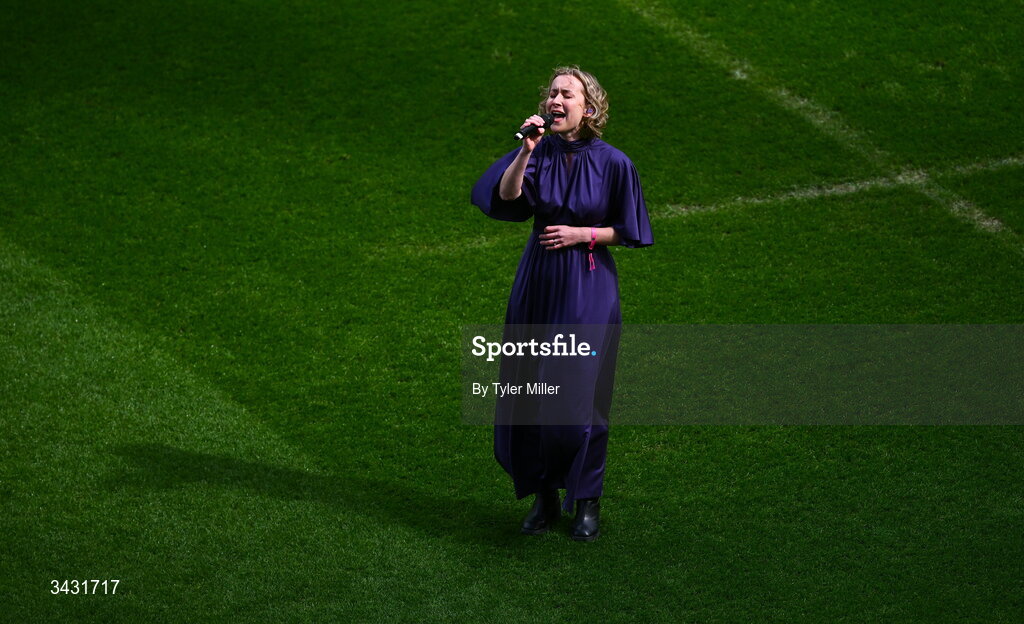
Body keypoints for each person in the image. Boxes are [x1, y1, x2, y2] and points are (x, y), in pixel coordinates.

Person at [471, 66, 653, 541]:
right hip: (537, 279)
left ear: (587, 108)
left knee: (578, 401)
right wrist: (525, 151)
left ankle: (586, 498)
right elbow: (508, 197)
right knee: (529, 391)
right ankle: (545, 496)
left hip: (587, 284)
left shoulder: (615, 163)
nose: (556, 99)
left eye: (566, 93)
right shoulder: (538, 150)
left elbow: (630, 229)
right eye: (552, 93)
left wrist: (581, 234)